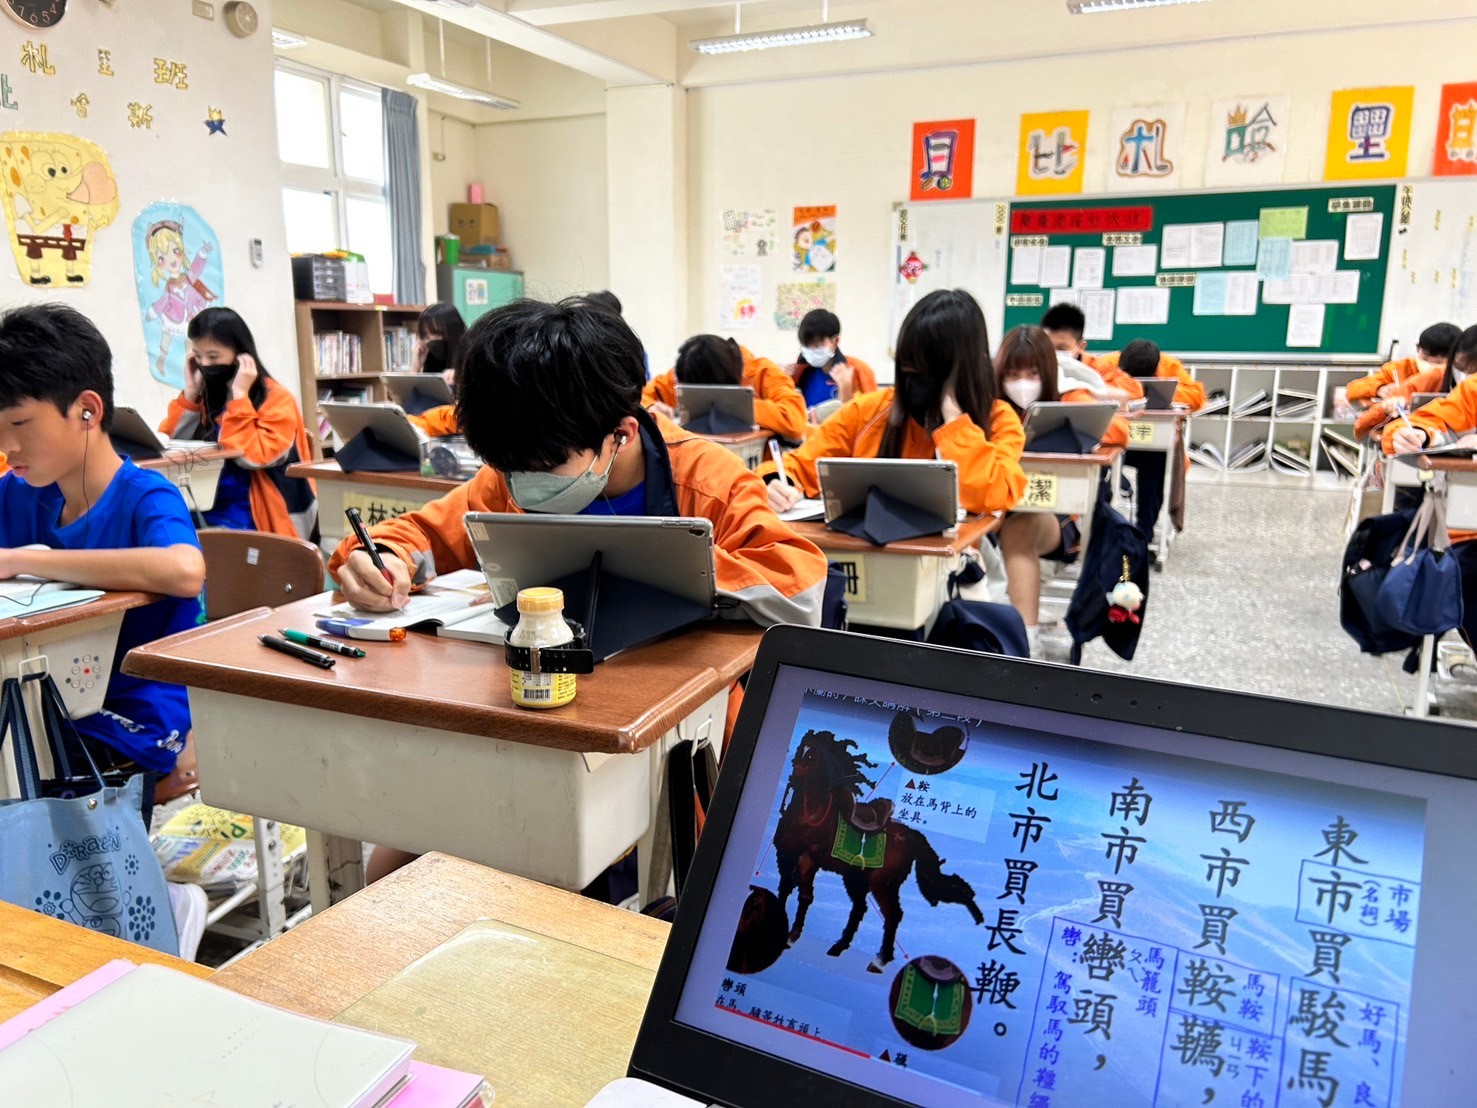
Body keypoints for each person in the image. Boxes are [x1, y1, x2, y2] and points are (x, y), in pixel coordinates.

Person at [327, 298, 828, 886]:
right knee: (393, 868)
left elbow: (799, 582)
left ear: (620, 434)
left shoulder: (706, 480)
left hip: (668, 740)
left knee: (642, 875)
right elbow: (424, 530)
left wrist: (671, 564)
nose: (522, 484)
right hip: (531, 721)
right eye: (506, 466)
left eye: (542, 466)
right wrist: (380, 556)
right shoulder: (519, 468)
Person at [0, 303, 205, 803]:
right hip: (41, 694)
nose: (7, 446)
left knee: (29, 760)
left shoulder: (145, 496)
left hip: (131, 706)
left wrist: (22, 559)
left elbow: (184, 570)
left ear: (87, 411)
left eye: (19, 423)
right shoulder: (21, 491)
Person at [762, 289, 1027, 517]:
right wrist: (775, 483)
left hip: (954, 556)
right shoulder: (869, 411)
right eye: (908, 369)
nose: (915, 384)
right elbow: (798, 465)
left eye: (927, 373)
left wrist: (956, 425)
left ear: (961, 374)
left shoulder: (998, 420)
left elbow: (995, 493)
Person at [994, 326, 1127, 652]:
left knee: (1018, 529)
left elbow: (1118, 432)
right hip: (996, 509)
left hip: (1055, 518)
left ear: (1048, 371)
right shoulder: (990, 404)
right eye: (1012, 374)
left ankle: (1024, 644)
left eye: (1033, 373)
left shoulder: (1068, 396)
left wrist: (1066, 425)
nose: (1022, 382)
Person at [159, 307, 317, 539]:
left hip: (260, 515)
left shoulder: (277, 399)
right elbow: (170, 446)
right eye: (198, 356)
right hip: (207, 506)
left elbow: (252, 457)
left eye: (213, 357)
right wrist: (190, 395)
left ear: (242, 355)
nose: (205, 364)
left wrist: (240, 396)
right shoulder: (209, 395)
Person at [1387, 325, 1477, 644]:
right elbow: (1417, 421)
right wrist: (1420, 434)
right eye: (1461, 367)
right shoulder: (1466, 390)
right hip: (1466, 526)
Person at [1105, 339, 1202, 544]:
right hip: (1115, 440)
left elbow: (1196, 396)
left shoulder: (1170, 365)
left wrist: (1154, 390)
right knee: (1102, 468)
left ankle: (1144, 532)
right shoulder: (1107, 363)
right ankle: (1103, 528)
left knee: (1156, 467)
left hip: (1152, 442)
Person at [643, 336, 809, 442]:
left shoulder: (762, 372)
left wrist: (737, 405)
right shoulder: (689, 369)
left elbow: (795, 420)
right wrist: (651, 408)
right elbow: (638, 397)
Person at [787, 309, 878, 417]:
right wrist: (786, 381)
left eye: (818, 344)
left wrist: (845, 387)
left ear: (835, 341)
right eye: (806, 345)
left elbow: (870, 416)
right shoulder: (800, 371)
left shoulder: (859, 371)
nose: (812, 350)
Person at [1040, 303, 1139, 399]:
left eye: (1061, 348)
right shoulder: (1035, 363)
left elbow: (1134, 390)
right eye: (1048, 346)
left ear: (1081, 347)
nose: (1053, 353)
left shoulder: (1096, 367)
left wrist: (1084, 387)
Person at [1349, 322, 1461, 405]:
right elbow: (1353, 389)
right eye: (1426, 358)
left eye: (1441, 363)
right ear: (1417, 348)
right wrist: (1379, 389)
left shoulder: (1461, 376)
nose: (1433, 366)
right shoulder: (1398, 368)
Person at [413, 301, 467, 379]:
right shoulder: (430, 354)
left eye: (436, 333)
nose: (431, 339)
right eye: (425, 335)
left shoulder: (472, 354)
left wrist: (460, 377)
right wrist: (416, 368)